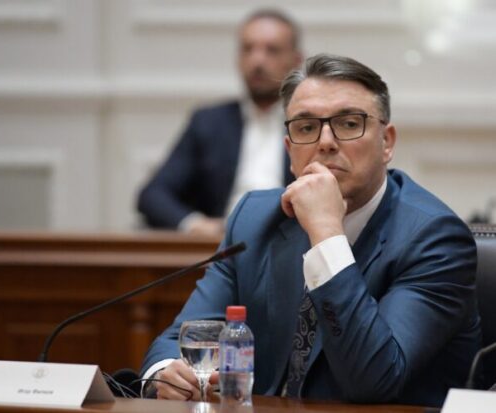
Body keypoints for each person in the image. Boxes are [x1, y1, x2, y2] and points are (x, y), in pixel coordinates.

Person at [140, 54, 481, 407]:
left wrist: (327, 236)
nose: (326, 142)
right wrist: (166, 374)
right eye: (306, 128)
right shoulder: (254, 218)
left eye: (349, 124)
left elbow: (373, 380)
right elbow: (180, 339)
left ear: (387, 142)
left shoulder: (435, 238)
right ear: (290, 151)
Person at [137, 9, 303, 236]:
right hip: (221, 244)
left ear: (296, 60)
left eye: (271, 50)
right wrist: (197, 225)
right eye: (248, 49)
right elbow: (154, 195)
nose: (257, 60)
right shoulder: (209, 122)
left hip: (292, 245)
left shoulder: (311, 124)